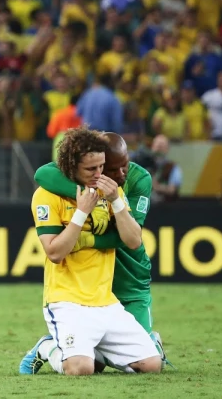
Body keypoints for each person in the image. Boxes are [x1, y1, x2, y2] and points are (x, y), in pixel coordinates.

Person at [19, 128, 160, 376]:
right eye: (91, 169)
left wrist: (116, 201)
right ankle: (48, 348)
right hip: (68, 301)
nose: (99, 174)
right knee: (81, 369)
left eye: (102, 167)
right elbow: (54, 253)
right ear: (71, 167)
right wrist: (82, 212)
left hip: (106, 301)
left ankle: (87, 349)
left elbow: (133, 241)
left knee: (152, 365)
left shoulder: (113, 191)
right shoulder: (46, 195)